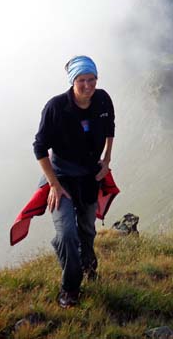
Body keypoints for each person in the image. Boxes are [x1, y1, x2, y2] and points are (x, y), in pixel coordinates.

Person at [33, 55, 115, 308]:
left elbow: (110, 127)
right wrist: (54, 185)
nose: (88, 85)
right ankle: (70, 289)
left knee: (87, 231)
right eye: (82, 80)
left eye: (92, 79)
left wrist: (107, 160)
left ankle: (90, 268)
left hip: (90, 177)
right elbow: (39, 148)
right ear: (72, 81)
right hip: (62, 179)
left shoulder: (103, 99)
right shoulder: (56, 107)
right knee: (67, 233)